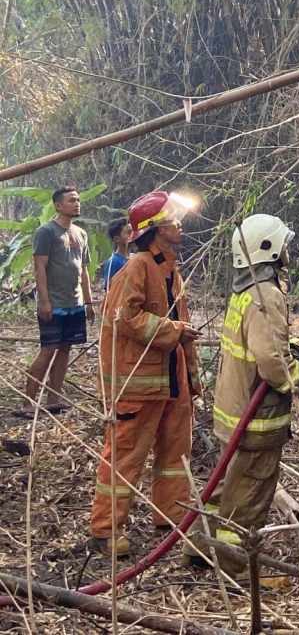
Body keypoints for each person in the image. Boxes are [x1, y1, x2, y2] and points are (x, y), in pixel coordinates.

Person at [184, 214, 299, 574]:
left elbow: (261, 344)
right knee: (249, 494)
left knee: (223, 486)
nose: (288, 250)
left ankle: (200, 547)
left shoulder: (245, 293)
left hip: (231, 411)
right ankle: (234, 567)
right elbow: (272, 363)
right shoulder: (267, 296)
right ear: (270, 249)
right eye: (284, 244)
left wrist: (295, 350)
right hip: (256, 421)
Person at [89, 191, 202, 557]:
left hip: (171, 381)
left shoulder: (169, 267)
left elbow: (177, 320)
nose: (179, 226)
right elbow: (128, 318)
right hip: (138, 385)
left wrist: (192, 374)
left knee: (175, 453)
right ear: (156, 229)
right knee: (125, 457)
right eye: (173, 221)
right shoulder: (137, 267)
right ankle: (106, 530)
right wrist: (175, 331)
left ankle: (171, 516)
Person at [22, 186, 94, 416]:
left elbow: (83, 270)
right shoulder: (46, 232)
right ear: (58, 205)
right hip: (54, 303)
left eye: (78, 200)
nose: (77, 203)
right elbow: (39, 268)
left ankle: (54, 398)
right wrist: (44, 301)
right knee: (48, 349)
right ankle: (27, 401)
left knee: (65, 349)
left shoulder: (81, 234)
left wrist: (89, 302)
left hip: (75, 302)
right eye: (71, 200)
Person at [97, 218, 132, 290]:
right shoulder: (113, 262)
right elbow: (109, 288)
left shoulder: (134, 257)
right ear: (117, 239)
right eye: (128, 233)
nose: (132, 235)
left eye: (132, 232)